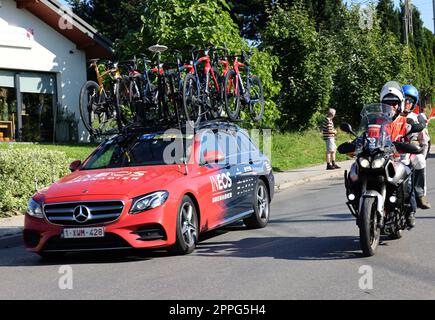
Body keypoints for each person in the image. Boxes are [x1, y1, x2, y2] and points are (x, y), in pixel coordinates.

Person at [402, 84, 431, 211]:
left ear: (414, 103)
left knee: (420, 160)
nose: (406, 103)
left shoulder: (415, 119)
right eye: (404, 99)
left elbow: (424, 141)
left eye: (409, 101)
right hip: (389, 152)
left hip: (408, 152)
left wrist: (419, 151)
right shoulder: (388, 116)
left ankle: (420, 194)